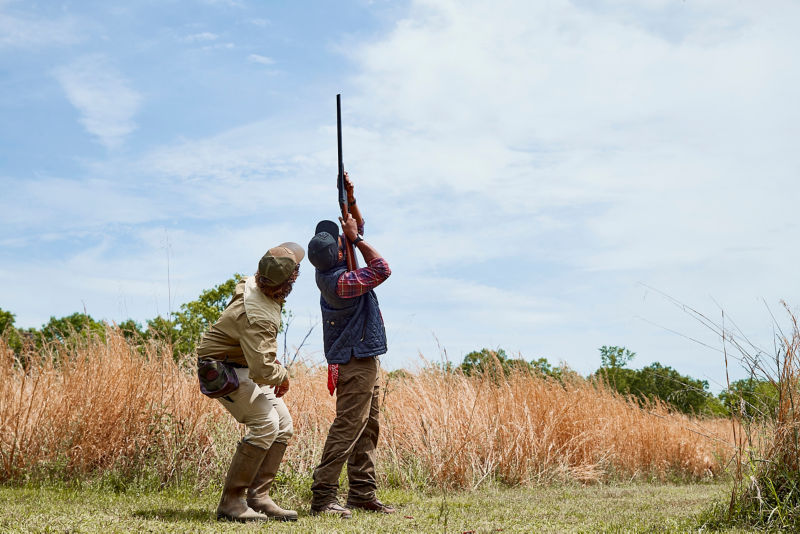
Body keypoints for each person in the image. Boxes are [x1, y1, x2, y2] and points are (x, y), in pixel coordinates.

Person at [307, 173, 395, 518]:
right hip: (355, 363)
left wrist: (350, 199)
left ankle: (362, 493)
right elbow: (382, 268)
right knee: (348, 427)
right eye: (343, 243)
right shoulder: (340, 283)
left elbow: (356, 227)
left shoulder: (332, 266)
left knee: (368, 426)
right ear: (341, 254)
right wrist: (357, 240)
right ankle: (323, 495)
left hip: (364, 358)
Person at [196, 242, 303, 522]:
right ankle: (232, 502)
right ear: (290, 281)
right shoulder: (259, 316)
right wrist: (283, 377)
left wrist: (262, 357)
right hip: (222, 369)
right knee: (266, 423)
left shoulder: (255, 283)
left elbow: (256, 351)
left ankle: (259, 498)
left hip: (241, 362)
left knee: (284, 426)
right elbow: (263, 371)